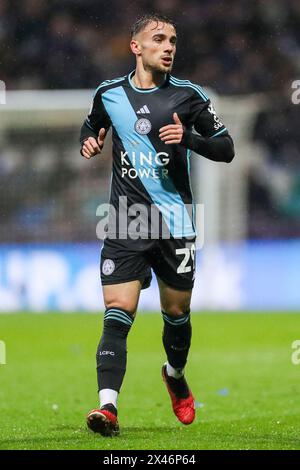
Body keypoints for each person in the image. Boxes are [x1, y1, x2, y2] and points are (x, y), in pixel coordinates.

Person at [79, 13, 234, 437]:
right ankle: (107, 408)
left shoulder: (190, 97)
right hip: (125, 221)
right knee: (118, 312)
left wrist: (188, 139)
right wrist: (89, 140)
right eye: (159, 39)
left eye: (173, 40)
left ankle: (175, 373)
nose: (169, 46)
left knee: (176, 313)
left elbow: (226, 148)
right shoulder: (109, 93)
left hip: (175, 222)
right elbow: (93, 125)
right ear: (136, 46)